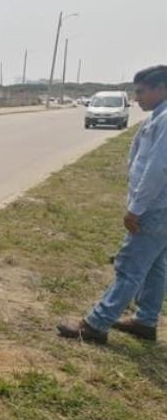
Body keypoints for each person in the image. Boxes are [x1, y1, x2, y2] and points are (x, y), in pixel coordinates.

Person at [58, 65, 167, 344]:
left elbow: (157, 170)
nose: (137, 97)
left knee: (130, 267)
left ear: (161, 88)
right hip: (159, 208)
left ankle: (96, 324)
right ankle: (145, 320)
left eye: (141, 92)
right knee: (155, 266)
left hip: (155, 208)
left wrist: (136, 209)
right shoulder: (159, 116)